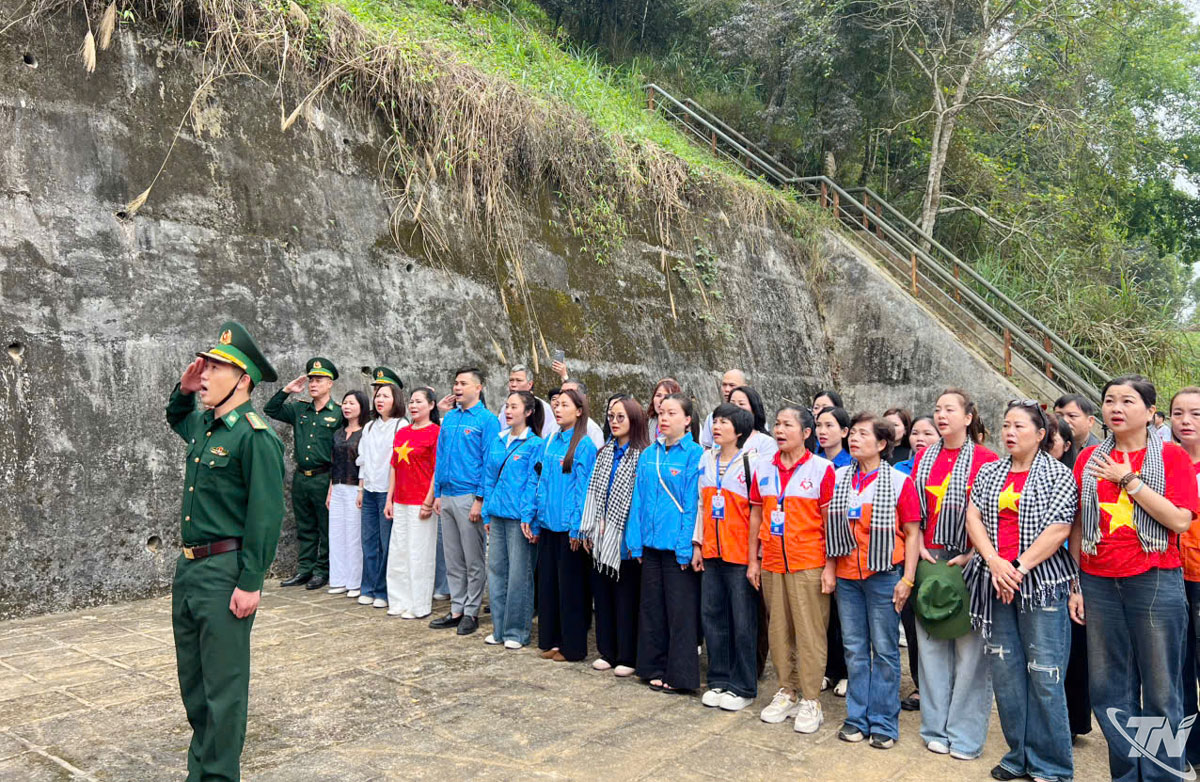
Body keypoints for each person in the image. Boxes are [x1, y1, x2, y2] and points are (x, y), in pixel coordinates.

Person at [167, 322, 285, 782]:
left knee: (224, 688)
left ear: (243, 380)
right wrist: (183, 388)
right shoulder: (205, 425)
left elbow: (265, 515)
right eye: (208, 365)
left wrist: (251, 581)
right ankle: (201, 770)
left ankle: (218, 776)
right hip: (191, 569)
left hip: (225, 571)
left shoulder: (254, 436)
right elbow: (176, 416)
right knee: (194, 684)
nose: (206, 375)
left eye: (216, 367)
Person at [1070, 376, 1199, 782]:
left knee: (1161, 691)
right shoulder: (1088, 457)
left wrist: (1128, 480)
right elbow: (1077, 524)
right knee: (1109, 690)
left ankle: (1162, 776)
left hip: (1154, 579)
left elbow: (1179, 519)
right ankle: (1127, 775)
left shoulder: (1172, 457)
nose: (1116, 407)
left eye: (1128, 400)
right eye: (1109, 400)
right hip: (1097, 580)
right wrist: (1076, 583)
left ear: (1150, 412)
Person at [964, 401, 1079, 782]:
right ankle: (1018, 755)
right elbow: (973, 516)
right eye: (1005, 425)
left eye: (1019, 426)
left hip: (1041, 586)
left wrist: (1017, 567)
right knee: (1007, 672)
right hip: (994, 581)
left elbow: (1060, 528)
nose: (1009, 432)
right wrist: (996, 562)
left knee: (1045, 674)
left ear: (1041, 434)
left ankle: (1053, 766)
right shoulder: (990, 472)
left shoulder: (1059, 475)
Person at [912, 388, 998, 759]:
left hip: (970, 562)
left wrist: (971, 553)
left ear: (968, 417)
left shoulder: (986, 459)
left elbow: (994, 517)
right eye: (937, 409)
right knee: (931, 648)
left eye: (950, 409)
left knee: (970, 653)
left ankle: (964, 735)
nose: (941, 415)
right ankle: (934, 727)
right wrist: (917, 548)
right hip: (929, 561)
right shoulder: (924, 459)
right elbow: (912, 512)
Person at [827, 413, 921, 748]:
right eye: (852, 433)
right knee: (854, 649)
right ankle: (857, 717)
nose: (853, 439)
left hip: (883, 576)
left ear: (882, 444)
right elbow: (830, 531)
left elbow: (912, 534)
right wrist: (829, 568)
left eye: (863, 434)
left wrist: (907, 579)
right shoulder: (839, 478)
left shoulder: (897, 481)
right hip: (848, 576)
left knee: (884, 650)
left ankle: (883, 721)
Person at [747, 405, 836, 733]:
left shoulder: (821, 470)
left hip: (808, 563)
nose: (780, 430)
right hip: (772, 562)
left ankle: (811, 698)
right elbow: (756, 515)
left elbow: (830, 523)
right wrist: (753, 560)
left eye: (788, 425)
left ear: (806, 433)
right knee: (778, 631)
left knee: (810, 632)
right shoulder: (763, 468)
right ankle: (787, 690)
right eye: (777, 424)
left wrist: (829, 567)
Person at [627, 392, 704, 693]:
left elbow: (692, 504)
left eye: (672, 413)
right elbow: (638, 501)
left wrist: (686, 546)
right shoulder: (649, 454)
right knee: (652, 609)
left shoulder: (695, 454)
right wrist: (636, 542)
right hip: (650, 545)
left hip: (677, 549)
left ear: (687, 420)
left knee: (680, 613)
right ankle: (652, 666)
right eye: (661, 413)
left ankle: (680, 675)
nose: (665, 419)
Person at [580, 396, 650, 676]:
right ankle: (607, 651)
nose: (615, 422)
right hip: (601, 535)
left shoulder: (642, 455)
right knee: (604, 598)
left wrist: (633, 539)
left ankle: (627, 656)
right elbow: (594, 493)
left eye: (621, 417)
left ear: (635, 420)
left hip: (626, 540)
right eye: (611, 416)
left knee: (626, 601)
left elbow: (640, 501)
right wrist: (588, 527)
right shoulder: (604, 452)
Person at [697, 403, 760, 712]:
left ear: (739, 431)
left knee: (743, 622)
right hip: (711, 551)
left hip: (739, 556)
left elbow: (757, 516)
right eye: (715, 421)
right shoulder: (706, 459)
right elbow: (701, 506)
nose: (717, 427)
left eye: (724, 422)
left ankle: (743, 684)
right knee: (713, 617)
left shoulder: (753, 463)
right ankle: (718, 678)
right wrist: (698, 545)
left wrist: (754, 559)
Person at [429, 368, 500, 635]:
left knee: (473, 559)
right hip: (447, 495)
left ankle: (471, 610)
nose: (457, 387)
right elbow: (441, 457)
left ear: (478, 387)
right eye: (455, 383)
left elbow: (489, 464)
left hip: (469, 496)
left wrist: (480, 499)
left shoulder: (487, 420)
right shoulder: (449, 419)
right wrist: (437, 493)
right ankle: (457, 607)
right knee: (453, 558)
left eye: (463, 383)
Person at [530, 388, 598, 662]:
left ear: (579, 411)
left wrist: (578, 528)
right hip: (548, 525)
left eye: (565, 405)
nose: (558, 409)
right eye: (556, 405)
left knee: (571, 590)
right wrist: (536, 518)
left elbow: (584, 490)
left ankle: (572, 646)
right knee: (548, 586)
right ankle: (551, 640)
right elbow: (542, 483)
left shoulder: (584, 445)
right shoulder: (550, 441)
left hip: (570, 529)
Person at [266, 357, 342, 591]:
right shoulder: (300, 409)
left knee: (325, 527)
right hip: (302, 477)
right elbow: (271, 409)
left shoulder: (338, 413)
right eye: (311, 380)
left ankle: (322, 571)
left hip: (323, 476)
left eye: (319, 380)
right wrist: (287, 390)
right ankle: (304, 569)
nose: (313, 384)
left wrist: (333, 481)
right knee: (305, 526)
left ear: (330, 383)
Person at [481, 391, 545, 648]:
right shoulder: (498, 440)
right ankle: (499, 629)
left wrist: (528, 515)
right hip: (497, 515)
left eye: (514, 407)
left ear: (528, 412)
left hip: (519, 519)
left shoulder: (535, 444)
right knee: (496, 572)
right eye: (507, 406)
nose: (508, 411)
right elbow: (488, 479)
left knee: (520, 575)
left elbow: (534, 483)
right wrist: (486, 510)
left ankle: (517, 631)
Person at [384, 387, 440, 619]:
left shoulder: (436, 432)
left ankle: (419, 605)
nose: (414, 405)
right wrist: (389, 499)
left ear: (431, 405)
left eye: (419, 402)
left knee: (419, 554)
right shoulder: (403, 432)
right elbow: (394, 467)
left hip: (421, 501)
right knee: (398, 552)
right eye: (412, 401)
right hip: (401, 500)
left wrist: (429, 500)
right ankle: (398, 601)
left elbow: (438, 469)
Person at [355, 368, 407, 605]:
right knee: (369, 541)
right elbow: (363, 460)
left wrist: (393, 495)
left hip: (389, 492)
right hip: (370, 490)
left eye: (385, 395)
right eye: (377, 396)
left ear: (396, 399)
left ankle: (384, 591)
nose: (379, 400)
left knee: (388, 543)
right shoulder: (369, 427)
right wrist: (361, 488)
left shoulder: (402, 426)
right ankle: (369, 587)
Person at [897, 413, 937, 710]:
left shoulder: (943, 470)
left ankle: (941, 686)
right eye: (915, 433)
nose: (919, 438)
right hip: (906, 553)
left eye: (927, 433)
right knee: (912, 624)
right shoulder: (900, 470)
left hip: (938, 555)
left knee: (939, 623)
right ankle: (920, 685)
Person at [1171, 387, 1200, 768]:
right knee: (1177, 666)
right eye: (1178, 413)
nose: (1186, 421)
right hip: (1170, 576)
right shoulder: (1164, 461)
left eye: (1195, 414)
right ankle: (1187, 750)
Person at [815, 405, 852, 695]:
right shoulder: (813, 463)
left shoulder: (850, 465)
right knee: (823, 616)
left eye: (829, 426)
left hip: (845, 549)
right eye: (819, 426)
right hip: (817, 548)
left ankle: (848, 672)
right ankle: (828, 669)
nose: (822, 431)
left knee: (845, 618)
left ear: (844, 431)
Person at [326, 390, 367, 600]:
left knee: (353, 536)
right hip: (338, 487)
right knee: (336, 534)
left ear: (361, 406)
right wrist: (330, 490)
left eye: (351, 403)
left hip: (354, 488)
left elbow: (365, 463)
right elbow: (334, 463)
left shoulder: (366, 432)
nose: (346, 407)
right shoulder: (338, 433)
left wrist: (361, 489)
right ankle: (339, 579)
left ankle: (355, 582)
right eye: (344, 403)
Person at [495, 364, 555, 438]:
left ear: (530, 384)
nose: (513, 384)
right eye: (511, 380)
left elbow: (549, 435)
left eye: (518, 380)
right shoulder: (505, 407)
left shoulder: (543, 407)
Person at [699, 369, 748, 448]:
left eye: (732, 385)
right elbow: (707, 448)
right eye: (724, 385)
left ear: (744, 387)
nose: (727, 389)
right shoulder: (712, 417)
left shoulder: (753, 417)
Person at [728, 386, 778, 458]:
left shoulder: (766, 442)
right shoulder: (721, 439)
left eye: (741, 404)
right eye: (732, 403)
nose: (735, 408)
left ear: (754, 409)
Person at [560, 378, 605, 447]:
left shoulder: (592, 430)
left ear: (583, 397)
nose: (564, 396)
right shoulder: (555, 426)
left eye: (570, 393)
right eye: (561, 392)